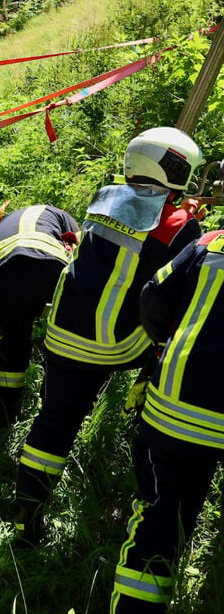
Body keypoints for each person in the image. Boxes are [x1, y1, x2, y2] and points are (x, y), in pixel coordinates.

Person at [12, 127, 205, 545]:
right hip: (115, 345)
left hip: (63, 330)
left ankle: (25, 518)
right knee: (164, 365)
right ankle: (138, 478)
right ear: (176, 167)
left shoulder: (105, 197)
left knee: (53, 423)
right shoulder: (179, 226)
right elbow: (172, 290)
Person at [107, 228, 223, 612]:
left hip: (177, 407)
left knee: (162, 520)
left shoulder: (213, 243)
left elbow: (153, 295)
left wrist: (164, 344)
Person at [0, 204, 79, 427]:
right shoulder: (60, 216)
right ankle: (53, 411)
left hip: (0, 273)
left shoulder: (0, 233)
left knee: (14, 342)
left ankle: (3, 416)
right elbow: (79, 251)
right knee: (64, 341)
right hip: (51, 265)